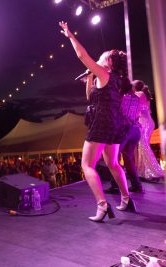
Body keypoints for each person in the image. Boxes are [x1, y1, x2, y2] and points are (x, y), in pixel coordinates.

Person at [59, 21, 135, 222]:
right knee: (112, 163)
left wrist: (70, 36)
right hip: (114, 124)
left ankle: (102, 206)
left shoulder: (106, 74)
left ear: (108, 61)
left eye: (101, 56)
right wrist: (90, 78)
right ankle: (127, 198)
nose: (98, 57)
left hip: (101, 123)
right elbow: (90, 98)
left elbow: (82, 56)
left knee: (87, 164)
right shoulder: (115, 80)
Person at [104, 83, 144, 193]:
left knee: (114, 158)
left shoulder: (121, 98)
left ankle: (116, 186)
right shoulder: (137, 98)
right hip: (136, 130)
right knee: (128, 158)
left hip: (124, 129)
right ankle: (136, 185)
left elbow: (115, 113)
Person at [132, 80, 164, 181]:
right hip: (147, 122)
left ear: (135, 87)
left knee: (143, 146)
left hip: (144, 124)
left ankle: (155, 171)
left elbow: (131, 98)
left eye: (131, 86)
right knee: (142, 146)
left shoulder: (139, 93)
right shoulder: (144, 94)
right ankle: (144, 172)